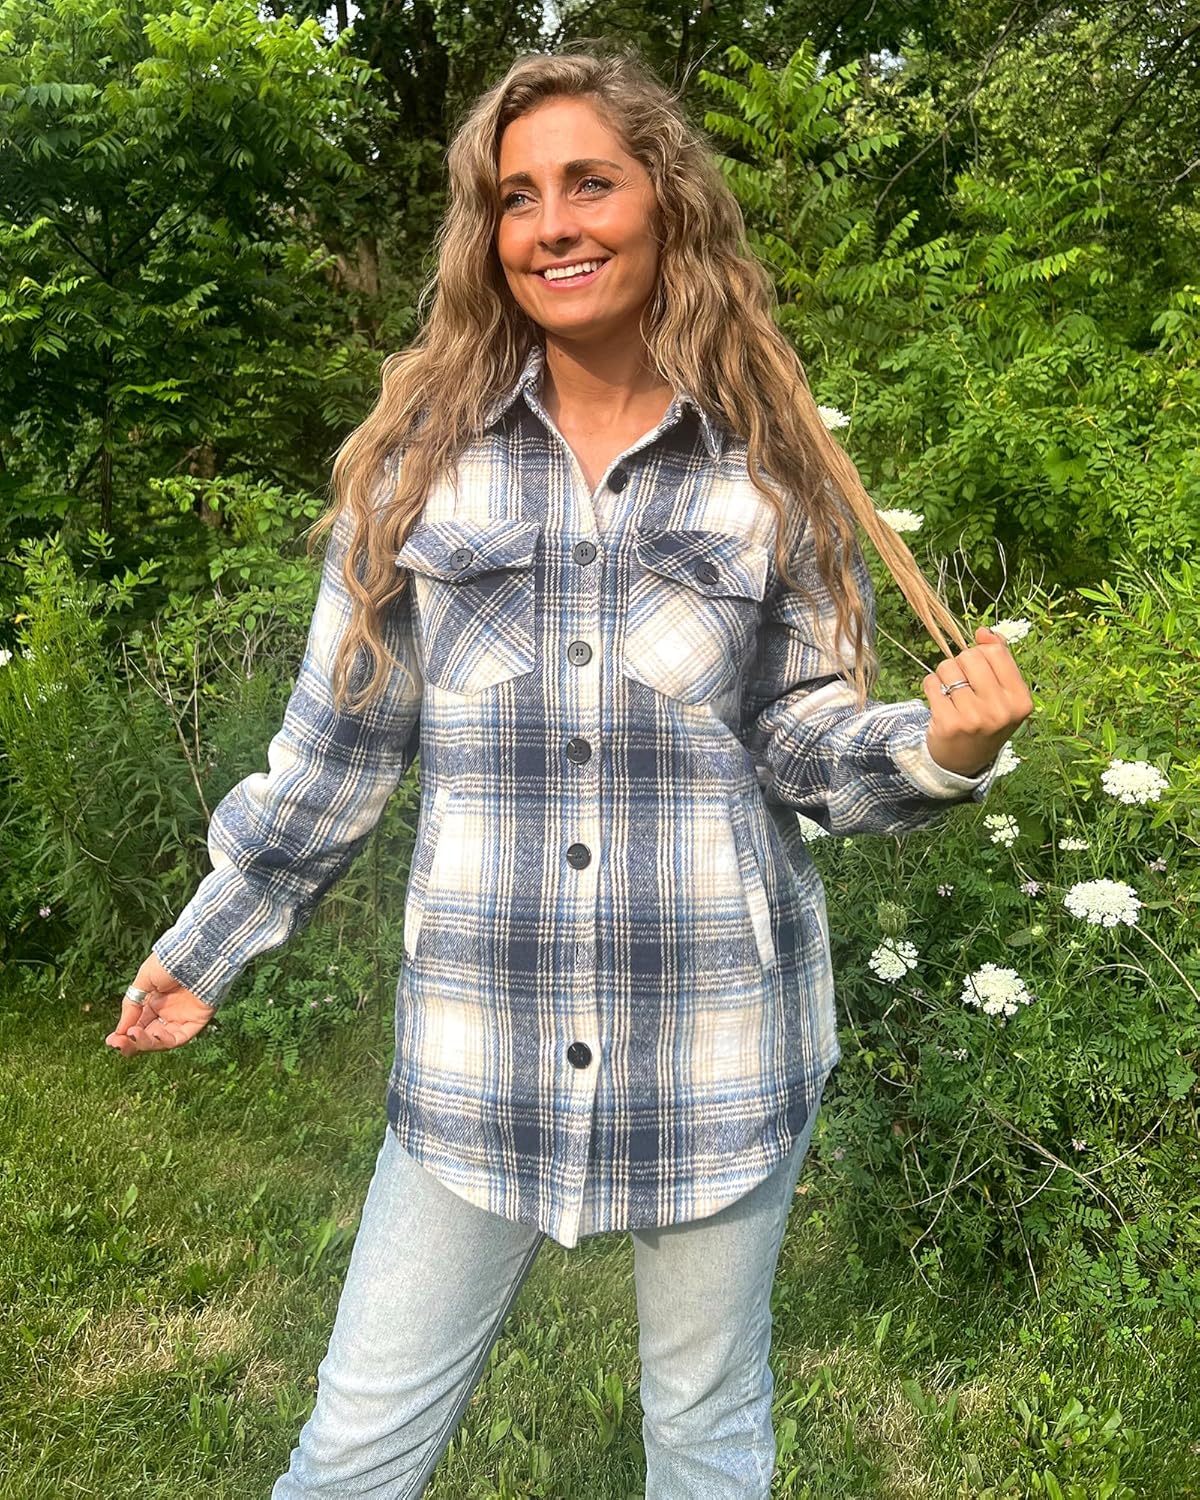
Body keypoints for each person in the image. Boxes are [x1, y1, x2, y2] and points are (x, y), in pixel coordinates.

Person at [105, 44, 1032, 1499]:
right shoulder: (416, 471)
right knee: (353, 1449)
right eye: (516, 197)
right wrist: (208, 943)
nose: (551, 226)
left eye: (588, 183)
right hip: (477, 1053)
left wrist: (938, 748)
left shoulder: (771, 473)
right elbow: (335, 752)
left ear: (666, 203)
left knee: (708, 1434)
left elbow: (802, 738)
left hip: (719, 1046)